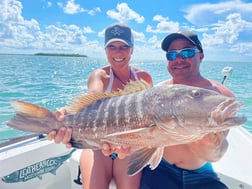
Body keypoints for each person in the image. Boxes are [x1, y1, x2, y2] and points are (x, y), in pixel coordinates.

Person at [103, 30, 233, 189]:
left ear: (201, 56)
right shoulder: (157, 93)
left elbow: (217, 154)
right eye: (171, 55)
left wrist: (209, 146)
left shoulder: (220, 98)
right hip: (159, 170)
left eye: (187, 52)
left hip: (201, 175)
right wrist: (121, 149)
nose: (179, 59)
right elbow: (145, 138)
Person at [47, 22, 152, 189]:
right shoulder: (100, 76)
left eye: (123, 46)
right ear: (105, 50)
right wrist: (65, 114)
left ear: (132, 49)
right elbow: (94, 100)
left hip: (127, 146)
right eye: (112, 46)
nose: (117, 52)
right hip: (97, 145)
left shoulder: (144, 77)